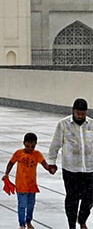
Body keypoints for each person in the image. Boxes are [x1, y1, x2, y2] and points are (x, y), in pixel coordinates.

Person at [47, 98, 93, 229]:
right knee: (72, 199)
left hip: (89, 169)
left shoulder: (91, 124)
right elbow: (55, 144)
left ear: (86, 112)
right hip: (70, 169)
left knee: (89, 198)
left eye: (82, 113)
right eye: (78, 113)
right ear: (73, 111)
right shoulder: (63, 124)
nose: (80, 116)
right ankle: (72, 224)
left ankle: (82, 219)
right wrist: (52, 162)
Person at [4, 132, 53, 229]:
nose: (30, 149)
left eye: (32, 146)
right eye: (27, 146)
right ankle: (22, 224)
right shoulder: (18, 153)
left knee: (31, 205)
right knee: (22, 205)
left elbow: (44, 164)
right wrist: (6, 174)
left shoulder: (37, 154)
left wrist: (50, 169)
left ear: (35, 145)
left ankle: (28, 221)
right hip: (21, 184)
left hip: (32, 185)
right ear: (23, 143)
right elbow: (11, 163)